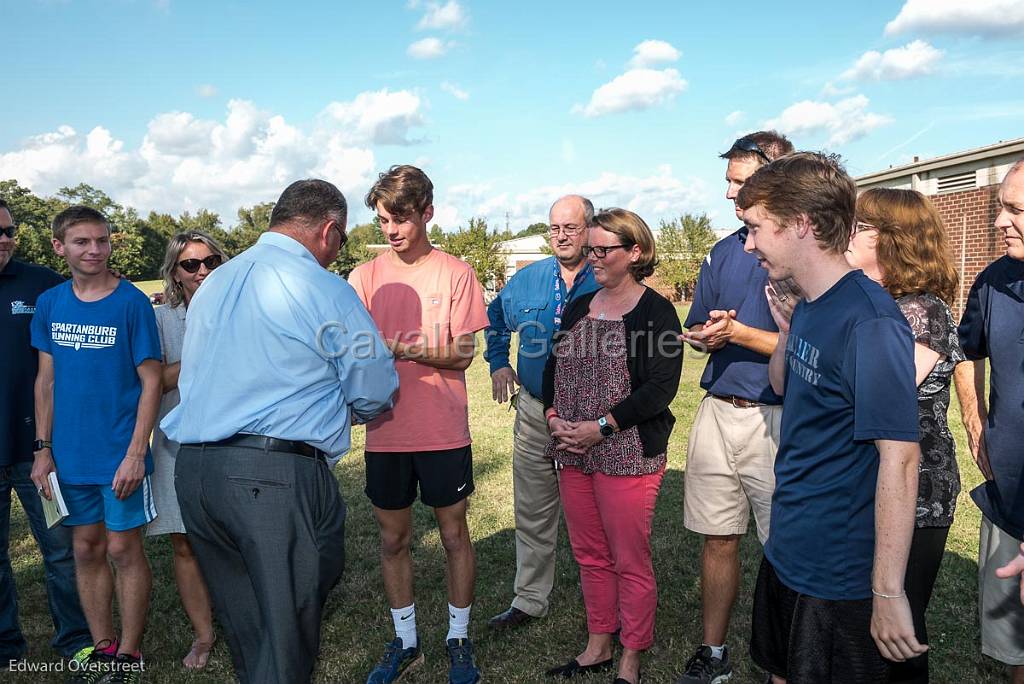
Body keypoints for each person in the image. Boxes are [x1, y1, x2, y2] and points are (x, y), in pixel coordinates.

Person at [161, 179, 398, 684]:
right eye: (342, 240)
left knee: (248, 624)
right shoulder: (322, 286)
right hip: (270, 476)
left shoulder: (214, 284)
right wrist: (347, 407)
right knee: (286, 625)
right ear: (329, 231)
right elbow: (374, 382)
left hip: (198, 472)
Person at [737, 153, 926, 682]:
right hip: (788, 546)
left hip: (839, 571)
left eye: (755, 229)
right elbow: (784, 387)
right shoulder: (812, 303)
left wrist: (886, 592)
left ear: (800, 223)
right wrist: (787, 331)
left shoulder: (870, 321)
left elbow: (901, 458)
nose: (748, 244)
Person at [349, 165, 489, 684]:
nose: (391, 229)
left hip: (442, 429)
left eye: (400, 218)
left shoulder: (456, 272)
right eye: (383, 220)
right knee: (392, 540)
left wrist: (399, 347)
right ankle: (405, 640)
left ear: (427, 212)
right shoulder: (362, 277)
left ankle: (458, 637)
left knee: (454, 535)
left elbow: (463, 353)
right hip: (384, 432)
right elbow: (352, 351)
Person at [542, 208, 683, 684]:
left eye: (604, 250)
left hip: (625, 453)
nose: (594, 258)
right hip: (573, 450)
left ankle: (631, 655)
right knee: (588, 553)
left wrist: (600, 426)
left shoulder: (655, 312)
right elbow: (552, 366)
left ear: (635, 252)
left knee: (629, 558)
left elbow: (659, 388)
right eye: (591, 250)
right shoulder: (582, 304)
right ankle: (599, 642)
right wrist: (554, 417)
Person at [675, 130, 794, 684]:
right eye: (728, 182)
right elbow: (698, 321)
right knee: (717, 537)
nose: (729, 194)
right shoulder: (724, 250)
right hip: (719, 410)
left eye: (740, 182)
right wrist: (704, 335)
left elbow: (813, 349)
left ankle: (787, 659)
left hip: (779, 418)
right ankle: (714, 652)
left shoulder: (806, 256)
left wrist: (742, 334)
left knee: (785, 549)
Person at [30, 205, 163, 682]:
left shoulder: (130, 303)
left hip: (118, 456)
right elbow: (45, 382)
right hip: (68, 456)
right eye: (83, 242)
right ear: (59, 247)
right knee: (85, 549)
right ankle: (102, 646)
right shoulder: (50, 304)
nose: (95, 250)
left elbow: (150, 382)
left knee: (124, 550)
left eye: (102, 241)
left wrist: (134, 453)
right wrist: (42, 449)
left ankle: (129, 652)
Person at [845, 188, 965, 683]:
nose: (847, 233)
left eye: (859, 225)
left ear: (891, 238)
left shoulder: (921, 311)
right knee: (869, 627)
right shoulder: (882, 305)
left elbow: (870, 393)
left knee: (899, 629)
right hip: (876, 486)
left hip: (917, 493)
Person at [484, 194, 599, 630]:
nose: (561, 235)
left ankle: (603, 600)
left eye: (570, 227)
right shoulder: (528, 279)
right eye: (554, 228)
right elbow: (494, 318)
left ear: (589, 228)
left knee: (596, 511)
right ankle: (530, 599)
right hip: (534, 412)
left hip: (591, 419)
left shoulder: (607, 278)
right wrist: (498, 361)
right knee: (533, 509)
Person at [0, 199, 92, 668]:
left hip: (41, 455)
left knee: (60, 550)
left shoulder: (43, 285)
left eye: (9, 231)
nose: (4, 239)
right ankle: (5, 648)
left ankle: (77, 644)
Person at [955, 158, 1024, 683]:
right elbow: (965, 351)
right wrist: (976, 425)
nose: (1000, 221)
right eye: (1001, 207)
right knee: (1012, 648)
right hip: (1009, 495)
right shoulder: (994, 280)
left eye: (1015, 209)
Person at [147, 231, 226, 669]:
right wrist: (202, 352)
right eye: (191, 265)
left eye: (210, 262)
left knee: (236, 540)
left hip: (235, 445)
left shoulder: (239, 311)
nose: (202, 272)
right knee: (185, 543)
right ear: (174, 273)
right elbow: (153, 380)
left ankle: (243, 618)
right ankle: (203, 634)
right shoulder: (161, 320)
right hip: (177, 444)